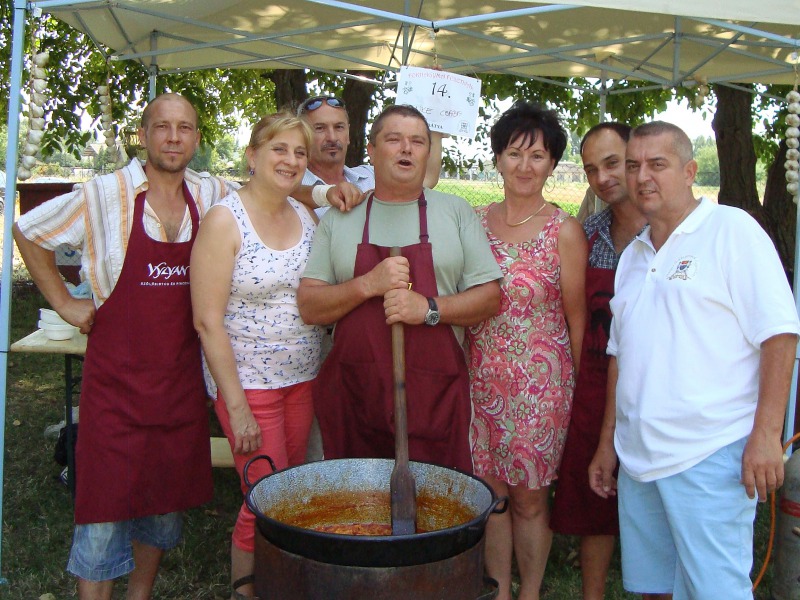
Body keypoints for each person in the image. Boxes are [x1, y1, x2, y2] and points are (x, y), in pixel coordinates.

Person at [12, 93, 237, 600]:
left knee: (163, 507)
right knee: (102, 513)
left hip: (179, 387)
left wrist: (330, 194)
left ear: (197, 138)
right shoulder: (102, 194)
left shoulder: (215, 194)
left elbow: (275, 185)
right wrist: (66, 305)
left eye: (185, 128)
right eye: (163, 127)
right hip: (116, 389)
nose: (174, 137)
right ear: (144, 134)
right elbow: (28, 231)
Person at [588, 121, 800, 600]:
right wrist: (608, 445)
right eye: (635, 164)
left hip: (710, 453)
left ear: (689, 171)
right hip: (640, 457)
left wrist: (766, 434)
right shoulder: (634, 255)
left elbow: (779, 335)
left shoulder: (732, 231)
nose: (643, 176)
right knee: (653, 588)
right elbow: (620, 356)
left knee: (715, 591)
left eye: (657, 165)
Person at [297, 104, 502, 473]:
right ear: (372, 152)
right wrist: (366, 285)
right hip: (355, 396)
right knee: (358, 508)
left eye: (417, 141)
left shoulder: (456, 212)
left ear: (427, 152)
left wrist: (429, 309)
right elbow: (310, 307)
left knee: (437, 509)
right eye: (394, 139)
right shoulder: (342, 218)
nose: (406, 148)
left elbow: (489, 297)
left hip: (434, 398)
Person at [191, 112, 322, 600]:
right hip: (248, 384)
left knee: (292, 490)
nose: (290, 161)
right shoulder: (226, 219)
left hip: (301, 377)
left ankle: (281, 583)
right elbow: (207, 320)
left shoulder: (305, 216)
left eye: (299, 153)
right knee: (265, 498)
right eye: (279, 149)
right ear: (253, 155)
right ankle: (246, 592)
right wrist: (238, 406)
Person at [466, 100, 588, 600]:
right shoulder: (472, 221)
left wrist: (581, 395)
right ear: (497, 159)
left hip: (541, 389)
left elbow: (576, 318)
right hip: (479, 378)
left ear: (553, 165)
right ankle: (498, 589)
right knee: (491, 494)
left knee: (531, 498)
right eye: (515, 153)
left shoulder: (565, 230)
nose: (524, 165)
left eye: (537, 156)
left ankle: (531, 590)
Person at [550, 122, 646, 600]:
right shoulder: (588, 233)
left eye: (612, 163)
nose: (603, 177)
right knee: (596, 496)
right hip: (593, 376)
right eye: (592, 169)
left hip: (657, 380)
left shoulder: (669, 231)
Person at [295, 94, 445, 209]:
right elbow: (282, 192)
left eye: (339, 127)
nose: (332, 137)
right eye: (320, 128)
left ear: (348, 134)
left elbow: (426, 177)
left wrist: (434, 106)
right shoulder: (292, 182)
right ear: (302, 136)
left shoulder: (371, 176)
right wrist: (326, 194)